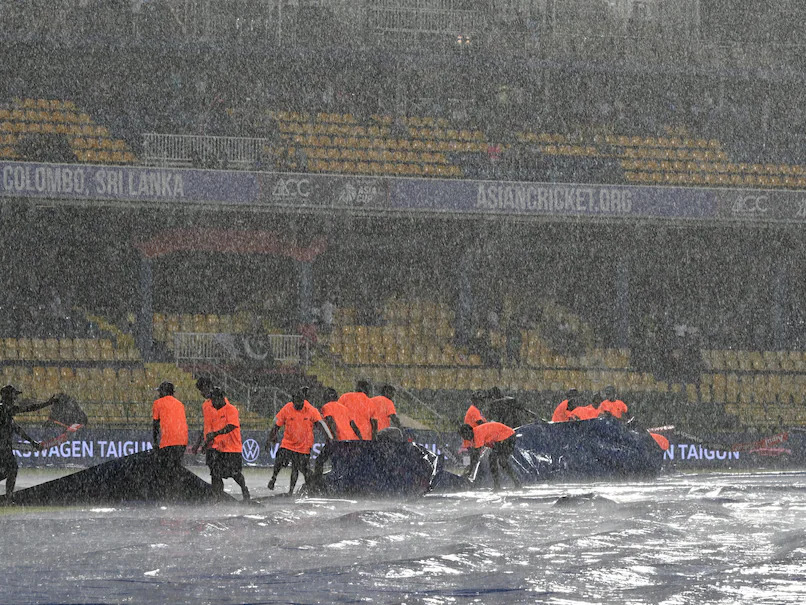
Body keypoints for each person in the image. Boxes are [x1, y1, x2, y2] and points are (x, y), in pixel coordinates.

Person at [267, 387, 332, 495]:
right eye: (296, 403)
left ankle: (294, 491)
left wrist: (329, 438)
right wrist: (270, 438)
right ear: (292, 401)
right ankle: (273, 478)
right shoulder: (287, 408)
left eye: (301, 403)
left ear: (304, 401)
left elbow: (321, 424)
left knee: (296, 468)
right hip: (288, 443)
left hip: (304, 446)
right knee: (279, 458)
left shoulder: (311, 410)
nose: (299, 405)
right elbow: (276, 424)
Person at [0, 385, 49, 503]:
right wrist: (48, 403)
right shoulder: (5, 409)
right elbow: (28, 408)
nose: (15, 398)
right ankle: (8, 498)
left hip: (4, 447)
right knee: (12, 469)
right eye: (14, 395)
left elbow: (17, 429)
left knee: (10, 471)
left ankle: (8, 498)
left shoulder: (5, 411)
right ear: (8, 396)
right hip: (3, 448)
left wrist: (33, 443)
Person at [202, 387, 250, 501]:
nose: (212, 403)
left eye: (213, 400)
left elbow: (231, 426)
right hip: (219, 449)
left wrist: (215, 434)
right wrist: (206, 445)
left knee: (235, 473)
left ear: (220, 398)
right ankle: (218, 496)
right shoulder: (214, 413)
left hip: (233, 448)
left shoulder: (231, 409)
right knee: (215, 473)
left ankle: (244, 490)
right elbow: (211, 433)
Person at [458, 421, 521, 491]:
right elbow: (470, 454)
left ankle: (514, 483)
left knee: (500, 460)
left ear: (470, 431)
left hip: (508, 436)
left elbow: (475, 456)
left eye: (466, 435)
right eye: (464, 437)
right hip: (500, 439)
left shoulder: (478, 433)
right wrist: (467, 469)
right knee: (494, 459)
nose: (466, 438)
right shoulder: (469, 438)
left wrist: (469, 472)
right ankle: (500, 485)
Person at [152, 382, 188, 497]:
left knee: (165, 469)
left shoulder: (158, 403)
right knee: (176, 467)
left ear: (163, 391)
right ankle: (177, 492)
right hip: (182, 441)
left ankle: (166, 493)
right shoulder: (180, 404)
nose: (158, 394)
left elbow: (155, 424)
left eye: (159, 391)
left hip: (168, 441)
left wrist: (155, 442)